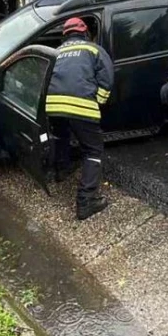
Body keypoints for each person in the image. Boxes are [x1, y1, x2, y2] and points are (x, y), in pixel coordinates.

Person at [45, 17, 115, 221]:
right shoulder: (93, 49)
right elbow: (107, 78)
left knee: (61, 137)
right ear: (84, 32)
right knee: (93, 151)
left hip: (53, 106)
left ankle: (61, 170)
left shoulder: (57, 52)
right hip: (81, 106)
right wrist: (98, 102)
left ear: (65, 35)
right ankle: (86, 201)